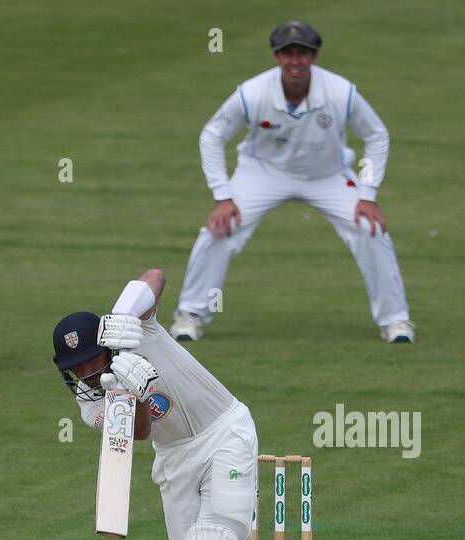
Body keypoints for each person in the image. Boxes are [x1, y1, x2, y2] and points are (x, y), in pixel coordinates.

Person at [51, 268, 268, 540]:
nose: (87, 373)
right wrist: (138, 393)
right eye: (76, 369)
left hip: (226, 433)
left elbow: (155, 276)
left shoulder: (135, 329)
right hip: (175, 461)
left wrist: (125, 317)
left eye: (92, 361)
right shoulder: (91, 403)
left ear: (106, 344)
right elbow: (143, 434)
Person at [170, 20, 413, 344]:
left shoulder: (341, 92)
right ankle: (191, 314)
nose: (295, 61)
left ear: (313, 56)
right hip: (263, 172)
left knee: (370, 229)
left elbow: (376, 134)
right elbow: (212, 134)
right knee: (220, 228)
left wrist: (367, 194)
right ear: (276, 56)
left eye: (303, 53)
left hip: (328, 174)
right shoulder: (252, 92)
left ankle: (396, 321)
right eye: (288, 54)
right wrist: (223, 196)